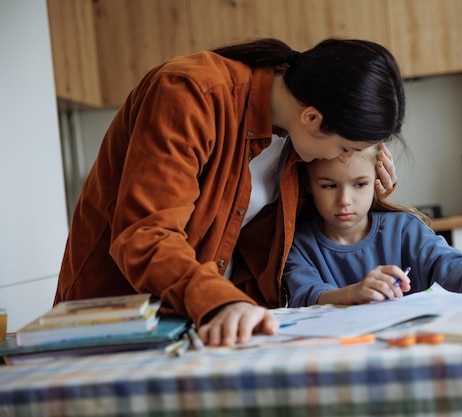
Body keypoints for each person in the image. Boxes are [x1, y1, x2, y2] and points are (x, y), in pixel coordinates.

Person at [55, 38, 404, 347]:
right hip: (122, 324)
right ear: (312, 118)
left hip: (210, 329)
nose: (343, 158)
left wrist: (367, 180)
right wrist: (220, 301)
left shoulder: (295, 138)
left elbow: (295, 238)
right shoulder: (189, 92)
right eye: (345, 147)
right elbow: (145, 233)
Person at [284, 146, 462, 307]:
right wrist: (354, 292)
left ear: (378, 181)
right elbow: (306, 294)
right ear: (309, 185)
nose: (345, 200)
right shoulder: (297, 242)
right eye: (329, 185)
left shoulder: (404, 229)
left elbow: (449, 264)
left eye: (360, 184)